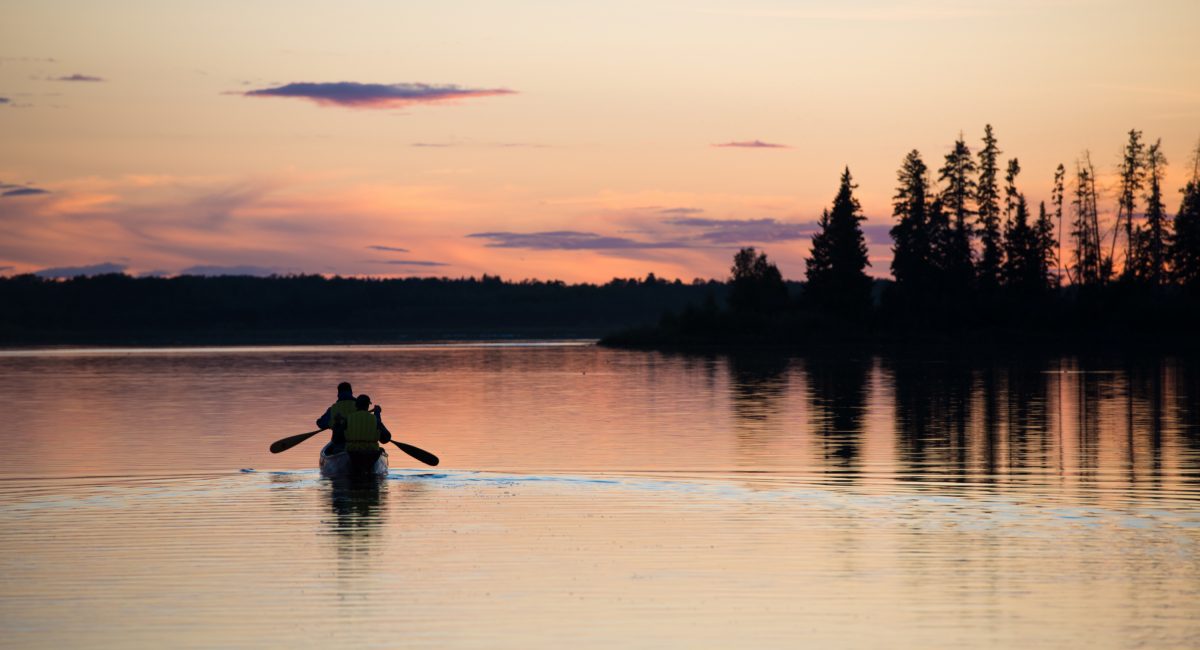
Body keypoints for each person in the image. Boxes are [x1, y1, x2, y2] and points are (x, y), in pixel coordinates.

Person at [343, 394, 393, 472]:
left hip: (352, 452)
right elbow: (386, 439)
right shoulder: (375, 419)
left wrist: (337, 423)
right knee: (381, 449)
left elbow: (336, 439)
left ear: (356, 405)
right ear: (368, 406)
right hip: (371, 453)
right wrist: (377, 414)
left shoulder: (348, 419)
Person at [317, 382, 358, 452]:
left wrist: (323, 423)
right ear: (351, 392)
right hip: (357, 442)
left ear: (338, 394)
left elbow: (321, 423)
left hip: (339, 444)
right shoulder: (360, 406)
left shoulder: (333, 408)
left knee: (330, 450)